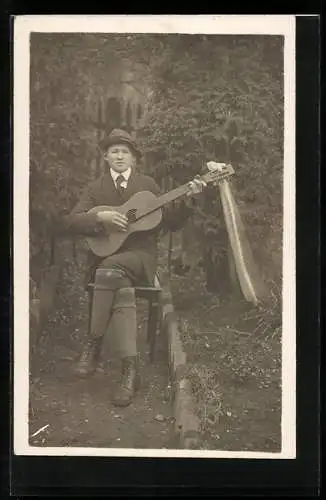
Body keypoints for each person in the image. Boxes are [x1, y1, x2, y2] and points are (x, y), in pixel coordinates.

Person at [61, 128, 206, 407]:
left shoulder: (147, 185)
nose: (119, 155)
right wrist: (100, 218)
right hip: (106, 261)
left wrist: (190, 200)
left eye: (124, 151)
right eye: (114, 150)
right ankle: (130, 370)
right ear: (105, 156)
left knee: (110, 268)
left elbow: (170, 221)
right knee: (113, 276)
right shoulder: (95, 188)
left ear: (134, 159)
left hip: (140, 257)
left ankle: (92, 346)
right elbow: (72, 221)